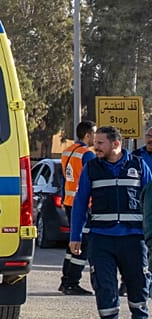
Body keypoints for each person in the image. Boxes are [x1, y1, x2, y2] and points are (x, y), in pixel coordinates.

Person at [69, 126, 152, 319]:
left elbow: (150, 202)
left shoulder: (138, 165)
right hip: (101, 237)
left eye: (100, 143)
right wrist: (75, 236)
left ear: (116, 144)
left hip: (134, 239)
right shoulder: (91, 168)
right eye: (95, 143)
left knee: (138, 282)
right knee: (104, 283)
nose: (95, 147)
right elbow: (79, 203)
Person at [63, 120, 97, 295]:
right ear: (88, 135)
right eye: (94, 134)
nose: (96, 138)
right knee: (82, 244)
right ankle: (72, 282)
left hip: (69, 202)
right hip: (84, 204)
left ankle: (65, 279)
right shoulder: (87, 154)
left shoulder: (68, 151)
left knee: (72, 243)